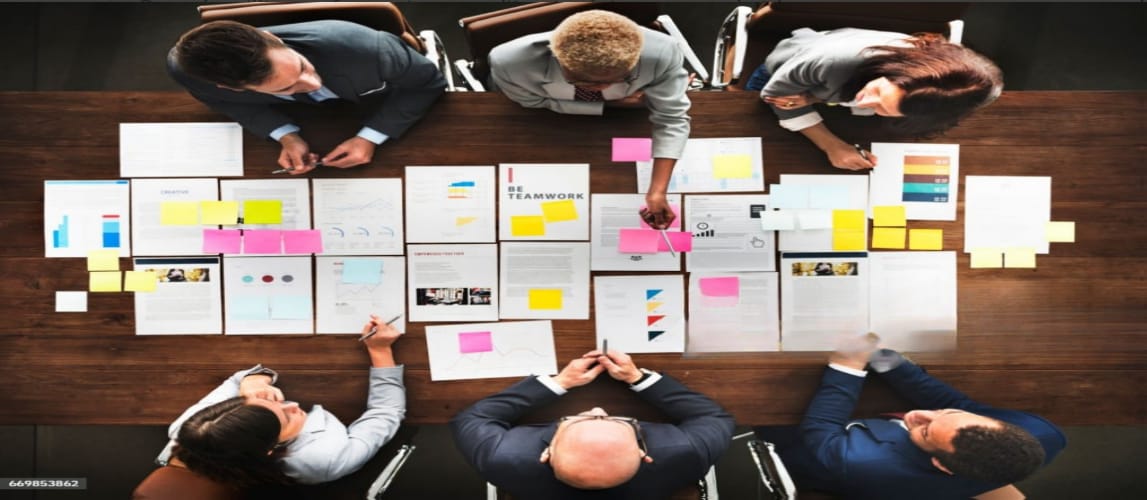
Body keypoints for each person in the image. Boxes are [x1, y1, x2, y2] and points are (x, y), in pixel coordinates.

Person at [756, 340, 1066, 500]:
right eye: (948, 417)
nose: (920, 415)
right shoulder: (1041, 434)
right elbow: (954, 403)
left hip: (812, 449)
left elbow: (821, 427)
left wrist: (848, 367)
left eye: (927, 431)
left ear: (941, 465)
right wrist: (885, 359)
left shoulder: (863, 461)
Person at [487, 10, 692, 229]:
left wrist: (657, 192)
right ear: (557, 57)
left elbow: (671, 118)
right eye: (581, 81)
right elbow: (532, 103)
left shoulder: (663, 52)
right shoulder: (509, 63)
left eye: (616, 80)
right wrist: (611, 104)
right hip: (544, 127)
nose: (601, 88)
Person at [154, 315, 406, 487]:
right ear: (269, 449)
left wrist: (253, 382)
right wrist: (380, 351)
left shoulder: (194, 428)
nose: (293, 404)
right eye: (286, 417)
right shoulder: (323, 460)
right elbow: (386, 411)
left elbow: (237, 380)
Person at [168, 20, 447, 174]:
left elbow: (428, 82)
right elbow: (228, 104)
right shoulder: (193, 76)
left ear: (272, 38)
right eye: (285, 88)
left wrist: (370, 137)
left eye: (301, 67)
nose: (313, 83)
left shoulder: (369, 50)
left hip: (382, 96)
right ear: (233, 87)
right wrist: (286, 135)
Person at [451, 348, 734, 499]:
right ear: (644, 453)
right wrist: (637, 378)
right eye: (615, 420)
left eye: (578, 419)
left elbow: (474, 417)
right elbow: (712, 416)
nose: (597, 407)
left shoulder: (505, 456)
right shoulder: (684, 453)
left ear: (546, 452)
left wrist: (559, 382)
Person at [745, 27, 1003, 171]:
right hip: (783, 71)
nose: (865, 103)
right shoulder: (833, 60)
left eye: (883, 108)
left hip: (822, 90)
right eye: (879, 92)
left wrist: (814, 100)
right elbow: (774, 96)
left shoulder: (972, 89)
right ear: (891, 72)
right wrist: (832, 146)